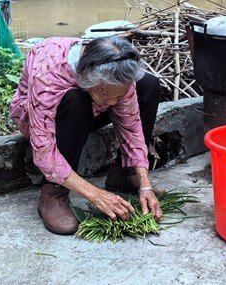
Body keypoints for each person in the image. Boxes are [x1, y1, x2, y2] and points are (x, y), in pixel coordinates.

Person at [10, 36, 162, 235]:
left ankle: (125, 175)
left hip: (91, 111)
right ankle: (55, 193)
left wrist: (145, 184)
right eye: (107, 95)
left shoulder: (118, 68)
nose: (115, 102)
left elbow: (130, 124)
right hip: (46, 120)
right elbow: (44, 149)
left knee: (149, 84)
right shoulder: (48, 72)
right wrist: (96, 195)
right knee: (76, 101)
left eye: (118, 95)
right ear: (87, 78)